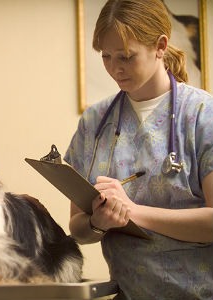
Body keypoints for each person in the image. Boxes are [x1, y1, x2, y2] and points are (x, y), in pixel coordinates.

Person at [64, 0, 213, 299]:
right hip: (127, 293)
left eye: (127, 56)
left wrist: (133, 212)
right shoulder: (95, 122)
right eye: (106, 56)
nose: (115, 68)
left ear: (160, 46)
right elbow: (78, 229)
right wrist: (97, 222)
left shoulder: (201, 113)